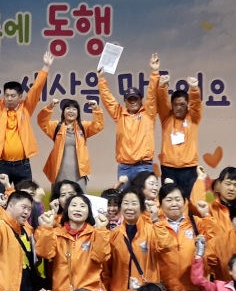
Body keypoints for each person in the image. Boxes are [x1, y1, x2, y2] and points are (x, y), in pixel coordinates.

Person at [0, 51, 53, 190]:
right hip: (2, 165)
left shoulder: (26, 108)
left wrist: (46, 67)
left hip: (23, 165)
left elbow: (36, 89)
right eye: (6, 95)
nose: (9, 99)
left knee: (25, 198)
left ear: (20, 96)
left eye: (12, 96)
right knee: (0, 199)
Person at [97, 53, 160, 183]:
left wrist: (154, 72)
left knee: (144, 196)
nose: (133, 102)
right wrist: (101, 79)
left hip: (143, 166)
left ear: (141, 100)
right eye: (129, 99)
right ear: (125, 101)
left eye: (135, 99)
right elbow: (108, 100)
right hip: (124, 167)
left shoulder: (148, 114)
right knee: (124, 196)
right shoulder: (120, 114)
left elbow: (152, 94)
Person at [103, 188, 162, 291]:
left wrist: (156, 221)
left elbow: (165, 247)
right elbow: (107, 269)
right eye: (125, 203)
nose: (129, 207)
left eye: (134, 203)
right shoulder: (114, 234)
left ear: (141, 207)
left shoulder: (152, 230)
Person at [155, 70, 203, 200]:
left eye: (182, 104)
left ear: (187, 105)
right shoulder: (166, 118)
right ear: (172, 105)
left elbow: (197, 106)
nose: (179, 108)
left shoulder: (193, 118)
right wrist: (162, 86)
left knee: (188, 199)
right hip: (168, 167)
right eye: (175, 105)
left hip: (189, 167)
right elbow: (162, 102)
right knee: (169, 199)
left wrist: (194, 89)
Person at [38, 96, 104, 187]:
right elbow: (42, 122)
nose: (71, 111)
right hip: (59, 171)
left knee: (80, 195)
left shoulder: (83, 126)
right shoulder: (56, 126)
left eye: (74, 109)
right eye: (68, 108)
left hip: (79, 172)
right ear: (63, 111)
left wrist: (96, 109)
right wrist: (49, 107)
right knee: (59, 194)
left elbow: (98, 125)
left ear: (78, 113)